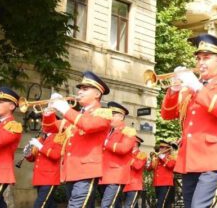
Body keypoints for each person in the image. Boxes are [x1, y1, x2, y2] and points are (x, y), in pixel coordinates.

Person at [160, 33, 217, 208]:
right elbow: (167, 115)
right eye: (198, 58)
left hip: (214, 159)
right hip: (189, 159)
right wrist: (174, 90)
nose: (200, 63)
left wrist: (197, 87)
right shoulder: (191, 89)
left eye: (206, 58)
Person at [43, 70, 112, 207]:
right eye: (80, 89)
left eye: (85, 89)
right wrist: (49, 112)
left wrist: (65, 109)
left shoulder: (103, 113)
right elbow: (50, 128)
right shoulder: (75, 115)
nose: (79, 92)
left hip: (86, 171)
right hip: (70, 170)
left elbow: (88, 125)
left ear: (97, 94)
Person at [100, 102, 137, 208]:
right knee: (113, 204)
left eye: (112, 114)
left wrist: (106, 143)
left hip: (116, 174)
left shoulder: (129, 131)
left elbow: (124, 148)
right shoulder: (106, 131)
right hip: (103, 174)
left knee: (106, 205)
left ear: (121, 116)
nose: (109, 117)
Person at [24, 129, 62, 208]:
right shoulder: (40, 139)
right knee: (49, 204)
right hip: (39, 178)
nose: (42, 127)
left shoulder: (58, 137)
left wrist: (40, 146)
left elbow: (56, 155)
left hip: (49, 178)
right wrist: (27, 153)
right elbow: (34, 158)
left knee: (40, 204)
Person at [150, 140, 177, 208]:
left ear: (167, 149)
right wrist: (152, 160)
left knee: (160, 204)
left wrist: (162, 157)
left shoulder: (172, 157)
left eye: (163, 147)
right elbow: (150, 168)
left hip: (166, 183)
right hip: (157, 183)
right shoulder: (158, 157)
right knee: (165, 204)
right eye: (160, 147)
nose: (160, 149)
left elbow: (170, 165)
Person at [123, 136, 147, 208]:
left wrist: (129, 157)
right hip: (123, 183)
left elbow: (137, 166)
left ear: (136, 143)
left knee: (129, 205)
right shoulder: (126, 154)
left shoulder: (142, 154)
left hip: (133, 184)